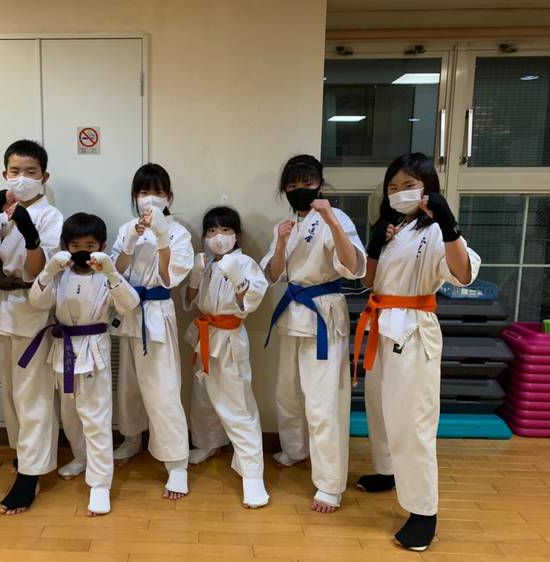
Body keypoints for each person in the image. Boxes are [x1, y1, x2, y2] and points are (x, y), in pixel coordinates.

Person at [354, 153, 480, 551]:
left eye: (408, 186)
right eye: (392, 187)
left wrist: (449, 225)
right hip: (381, 324)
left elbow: (463, 273)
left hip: (412, 328)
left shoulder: (435, 231)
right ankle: (388, 471)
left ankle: (424, 511)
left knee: (413, 422)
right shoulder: (397, 229)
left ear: (428, 188)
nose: (399, 193)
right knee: (379, 408)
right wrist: (375, 245)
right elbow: (369, 280)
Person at [261, 155, 365, 513]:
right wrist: (279, 243)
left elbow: (353, 266)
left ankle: (330, 484)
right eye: (292, 185)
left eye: (306, 183)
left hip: (323, 314)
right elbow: (272, 275)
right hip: (292, 314)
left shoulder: (338, 219)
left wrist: (331, 220)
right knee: (287, 394)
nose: (299, 190)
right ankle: (294, 450)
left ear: (320, 184)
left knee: (323, 405)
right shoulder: (287, 225)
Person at [27, 213, 139, 516]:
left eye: (89, 245)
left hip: (93, 352)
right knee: (69, 414)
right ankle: (81, 457)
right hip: (61, 350)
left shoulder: (106, 277)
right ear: (66, 246)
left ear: (101, 246)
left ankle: (100, 484)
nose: (81, 251)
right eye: (75, 245)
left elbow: (129, 305)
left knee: (96, 418)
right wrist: (48, 270)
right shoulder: (60, 274)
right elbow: (37, 302)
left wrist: (112, 272)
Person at [0, 139, 63, 515]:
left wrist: (30, 235)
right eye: (15, 172)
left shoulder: (51, 216)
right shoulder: (2, 213)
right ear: (4, 174)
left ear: (44, 177)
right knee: (12, 393)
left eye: (30, 172)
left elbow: (37, 271)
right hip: (4, 309)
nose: (22, 178)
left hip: (33, 310)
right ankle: (22, 455)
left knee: (33, 395)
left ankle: (32, 472)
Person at [110, 163, 194, 499]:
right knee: (129, 385)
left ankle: (177, 463)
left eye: (158, 192)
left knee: (163, 389)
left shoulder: (179, 233)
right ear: (135, 195)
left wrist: (160, 237)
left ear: (168, 196)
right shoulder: (126, 228)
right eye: (144, 191)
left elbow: (170, 277)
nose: (151, 198)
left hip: (157, 313)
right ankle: (132, 438)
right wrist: (130, 242)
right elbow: (114, 271)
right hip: (129, 311)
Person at [185, 206, 270, 508]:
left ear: (237, 235)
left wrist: (238, 280)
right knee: (203, 396)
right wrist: (195, 276)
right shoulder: (206, 263)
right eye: (211, 231)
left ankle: (252, 474)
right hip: (205, 336)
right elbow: (190, 302)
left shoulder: (245, 263)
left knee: (237, 405)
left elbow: (250, 303)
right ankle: (209, 443)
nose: (218, 237)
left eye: (225, 230)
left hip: (229, 337)